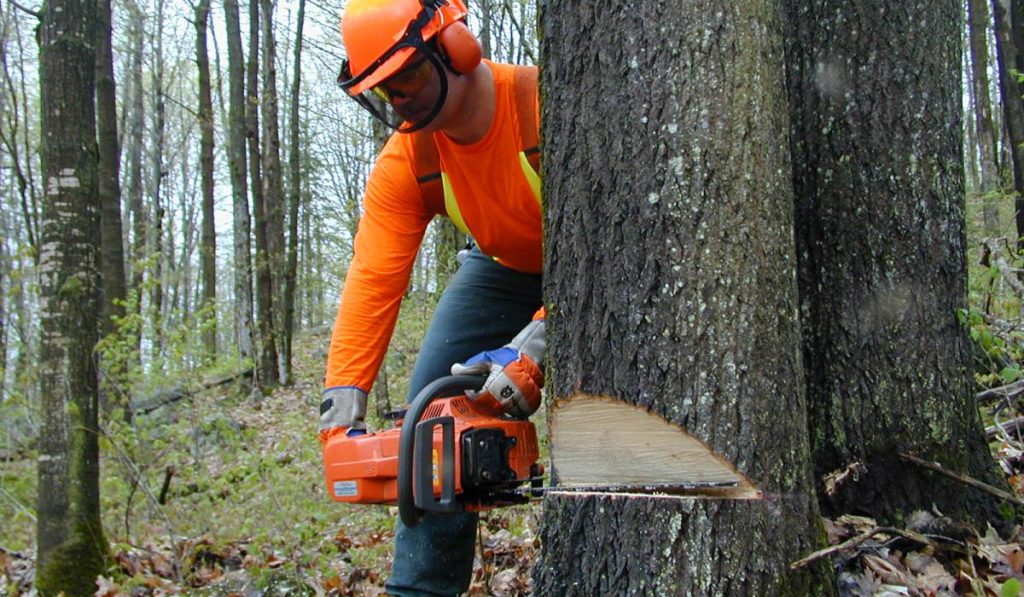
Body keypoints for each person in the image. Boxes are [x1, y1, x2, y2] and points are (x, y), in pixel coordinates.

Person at [318, 0, 545, 594]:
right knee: (433, 415)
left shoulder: (540, 106)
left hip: (595, 261)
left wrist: (536, 347)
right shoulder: (410, 159)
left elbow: (613, 243)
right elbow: (372, 278)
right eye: (384, 91)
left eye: (408, 77)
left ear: (455, 46)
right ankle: (419, 588)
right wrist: (341, 406)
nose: (402, 100)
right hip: (502, 266)